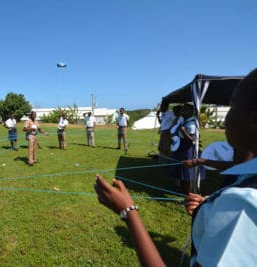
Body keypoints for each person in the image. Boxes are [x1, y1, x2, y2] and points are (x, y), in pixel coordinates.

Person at [95, 68, 257, 266]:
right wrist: (210, 202)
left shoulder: (243, 203)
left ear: (253, 119)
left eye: (232, 106)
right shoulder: (242, 186)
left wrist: (128, 211)